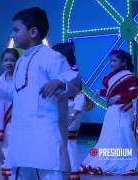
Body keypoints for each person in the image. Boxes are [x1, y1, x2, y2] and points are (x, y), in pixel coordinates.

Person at [0, 7, 80, 179]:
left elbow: (74, 80)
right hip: (23, 134)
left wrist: (58, 82)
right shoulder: (21, 61)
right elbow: (18, 93)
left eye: (16, 30)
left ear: (33, 32)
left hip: (46, 134)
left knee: (50, 173)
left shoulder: (50, 56)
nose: (13, 35)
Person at [79, 50, 138, 176]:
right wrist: (101, 92)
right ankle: (111, 159)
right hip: (113, 111)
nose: (111, 64)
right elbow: (111, 92)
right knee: (109, 136)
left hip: (123, 110)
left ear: (124, 62)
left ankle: (128, 162)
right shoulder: (112, 76)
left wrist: (118, 97)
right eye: (110, 61)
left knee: (124, 133)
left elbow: (132, 93)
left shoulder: (129, 77)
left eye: (114, 61)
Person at [53, 42, 85, 180]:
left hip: (70, 112)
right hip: (59, 112)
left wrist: (74, 113)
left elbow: (79, 95)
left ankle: (73, 171)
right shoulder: (58, 73)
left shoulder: (73, 74)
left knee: (69, 142)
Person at [0, 48, 19, 179]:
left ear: (17, 61)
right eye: (6, 60)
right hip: (3, 121)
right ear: (2, 62)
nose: (9, 63)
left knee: (18, 146)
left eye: (12, 60)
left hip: (19, 119)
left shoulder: (22, 79)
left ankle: (16, 174)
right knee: (5, 147)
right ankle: (7, 174)